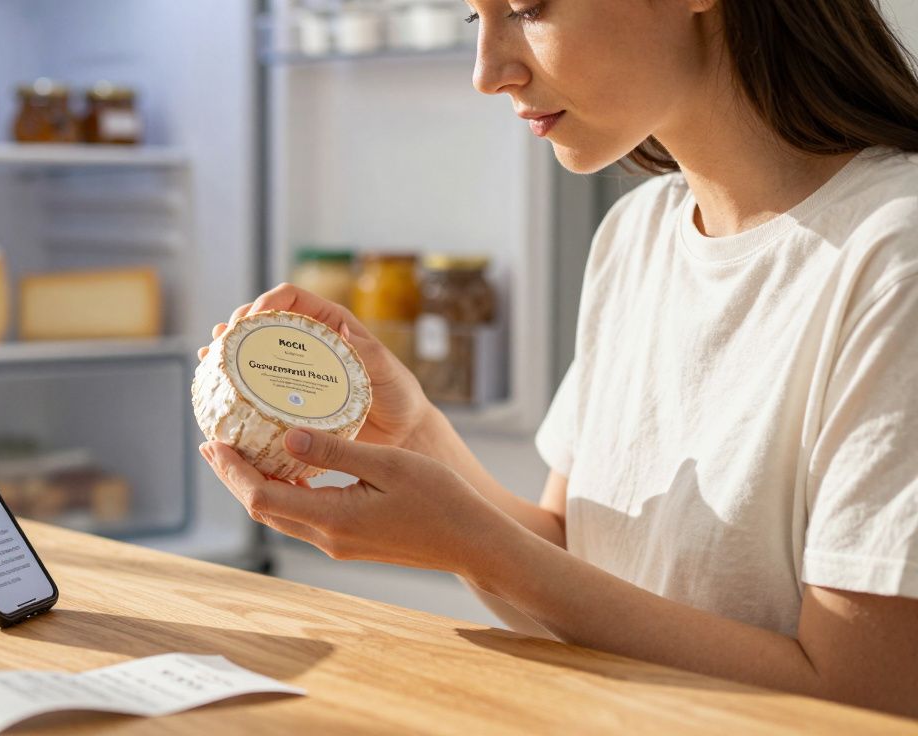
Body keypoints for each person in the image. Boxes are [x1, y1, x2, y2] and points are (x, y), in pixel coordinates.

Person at [196, 0, 918, 717]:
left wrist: (479, 549)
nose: (487, 74)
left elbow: (864, 697)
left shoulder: (895, 258)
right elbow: (582, 569)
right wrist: (416, 438)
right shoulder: (636, 234)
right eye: (476, 20)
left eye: (526, 9)